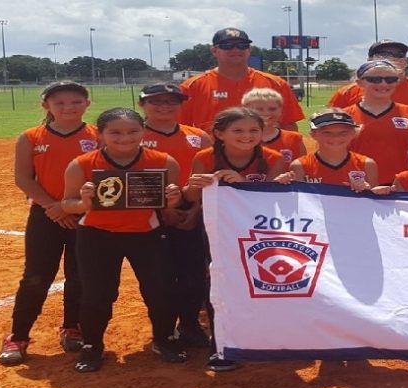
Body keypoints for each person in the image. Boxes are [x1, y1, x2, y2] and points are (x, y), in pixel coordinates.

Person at [61, 108, 186, 373]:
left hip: (146, 234)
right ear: (101, 133)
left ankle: (164, 339)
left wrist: (174, 199)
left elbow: (169, 206)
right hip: (97, 235)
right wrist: (84, 202)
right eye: (114, 132)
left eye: (132, 131)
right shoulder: (82, 163)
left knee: (160, 290)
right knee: (97, 294)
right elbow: (67, 204)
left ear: (143, 131)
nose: (124, 138)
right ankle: (92, 345)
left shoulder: (164, 161)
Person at [0, 81, 98, 366]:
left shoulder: (96, 135)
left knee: (79, 274)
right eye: (60, 103)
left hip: (85, 214)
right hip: (46, 215)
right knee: (36, 276)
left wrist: (74, 206)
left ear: (87, 104)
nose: (68, 108)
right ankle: (18, 335)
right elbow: (24, 178)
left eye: (76, 102)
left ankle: (72, 326)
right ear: (47, 106)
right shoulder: (31, 137)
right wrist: (54, 206)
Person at [183, 107, 286, 372]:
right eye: (237, 130)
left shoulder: (273, 157)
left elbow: (275, 200)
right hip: (216, 231)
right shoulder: (205, 157)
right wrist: (193, 187)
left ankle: (264, 336)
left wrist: (241, 184)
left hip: (258, 232)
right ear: (219, 133)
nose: (247, 135)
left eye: (254, 130)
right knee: (218, 281)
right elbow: (192, 199)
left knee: (263, 281)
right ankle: (221, 345)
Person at [138, 83, 213, 349]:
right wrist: (163, 210)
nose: (164, 106)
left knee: (194, 275)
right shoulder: (133, 134)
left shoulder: (199, 136)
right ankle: (164, 331)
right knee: (160, 277)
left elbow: (212, 177)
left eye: (171, 101)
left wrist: (195, 209)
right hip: (148, 215)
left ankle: (190, 325)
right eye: (156, 101)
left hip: (193, 213)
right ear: (142, 105)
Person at [179, 27, 305, 133]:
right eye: (227, 45)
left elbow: (289, 125)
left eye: (242, 45)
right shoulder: (192, 86)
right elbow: (180, 129)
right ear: (214, 51)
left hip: (265, 156)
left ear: (249, 50)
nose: (236, 49)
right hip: (212, 157)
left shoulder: (276, 84)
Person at [328, 39, 408, 126]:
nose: (392, 58)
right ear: (369, 60)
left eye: (399, 54)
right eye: (383, 54)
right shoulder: (346, 93)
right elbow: (328, 133)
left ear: (406, 61)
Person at [342, 61, 408, 185]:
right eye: (374, 79)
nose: (383, 84)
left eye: (390, 79)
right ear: (359, 83)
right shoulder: (344, 116)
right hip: (356, 189)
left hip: (397, 189)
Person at [275, 108, 378, 192]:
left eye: (343, 132)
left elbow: (375, 204)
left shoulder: (367, 164)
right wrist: (281, 184)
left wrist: (367, 190)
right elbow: (298, 203)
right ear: (313, 134)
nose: (335, 138)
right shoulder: (300, 166)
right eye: (327, 133)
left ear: (353, 134)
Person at [241, 88, 307, 168]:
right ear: (245, 110)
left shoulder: (294, 139)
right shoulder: (237, 139)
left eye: (272, 109)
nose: (266, 113)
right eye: (259, 109)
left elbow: (303, 170)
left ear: (281, 110)